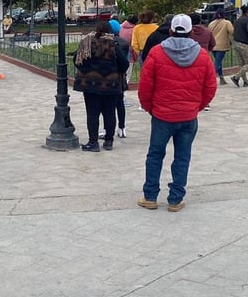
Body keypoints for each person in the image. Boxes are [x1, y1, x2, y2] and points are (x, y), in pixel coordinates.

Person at [137, 14, 217, 212]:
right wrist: (197, 106)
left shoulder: (156, 53)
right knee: (182, 157)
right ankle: (175, 199)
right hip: (188, 116)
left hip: (162, 115)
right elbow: (210, 87)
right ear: (191, 32)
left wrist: (150, 107)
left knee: (155, 155)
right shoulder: (202, 55)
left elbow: (145, 86)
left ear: (171, 30)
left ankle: (150, 196)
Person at [73, 20, 128, 151]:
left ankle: (93, 143)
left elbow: (77, 60)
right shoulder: (114, 45)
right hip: (111, 84)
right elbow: (124, 64)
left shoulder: (87, 44)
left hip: (90, 85)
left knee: (92, 114)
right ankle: (109, 141)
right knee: (109, 113)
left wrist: (88, 70)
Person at [207, 11, 234, 85]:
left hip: (213, 45)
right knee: (217, 63)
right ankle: (210, 79)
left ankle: (222, 78)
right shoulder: (226, 22)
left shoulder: (211, 23)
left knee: (218, 62)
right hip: (222, 45)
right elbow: (231, 31)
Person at [231, 5, 248, 87]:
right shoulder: (247, 20)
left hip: (236, 43)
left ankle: (245, 81)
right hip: (244, 44)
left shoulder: (237, 20)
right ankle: (236, 77)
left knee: (242, 64)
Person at [119, 14, 138, 83]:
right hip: (129, 54)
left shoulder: (120, 27)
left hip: (119, 53)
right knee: (127, 75)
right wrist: (135, 57)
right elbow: (134, 45)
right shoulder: (134, 30)